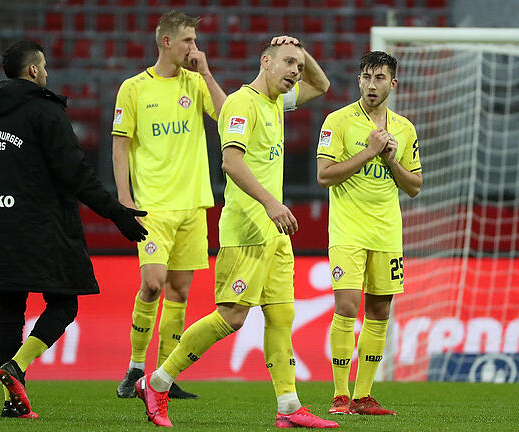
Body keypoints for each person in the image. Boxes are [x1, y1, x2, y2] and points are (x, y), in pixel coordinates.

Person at [133, 36, 338, 429]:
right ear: (265, 61)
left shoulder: (277, 101)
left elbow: (323, 85)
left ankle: (289, 406)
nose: (296, 72)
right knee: (231, 316)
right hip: (247, 229)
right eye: (288, 64)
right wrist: (271, 203)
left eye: (299, 66)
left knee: (281, 316)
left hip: (274, 234)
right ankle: (156, 382)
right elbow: (231, 163)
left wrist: (300, 49)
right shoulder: (242, 104)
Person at [0, 40, 148, 419]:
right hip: (39, 227)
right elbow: (76, 174)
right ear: (32, 71)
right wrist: (117, 212)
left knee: (9, 311)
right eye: (44, 67)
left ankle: (12, 402)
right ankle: (16, 367)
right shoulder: (44, 112)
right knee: (64, 304)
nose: (47, 73)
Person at [111, 10, 227, 400]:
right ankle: (135, 368)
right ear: (166, 42)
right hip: (152, 207)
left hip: (193, 205)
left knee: (179, 293)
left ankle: (161, 377)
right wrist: (124, 198)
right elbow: (120, 144)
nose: (194, 48)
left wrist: (207, 74)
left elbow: (228, 117)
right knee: (152, 284)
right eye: (188, 41)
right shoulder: (133, 88)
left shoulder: (195, 83)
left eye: (195, 41)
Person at [316, 51, 423, 416]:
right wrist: (370, 152)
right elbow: (325, 175)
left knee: (379, 312)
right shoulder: (338, 121)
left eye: (379, 78)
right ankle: (340, 395)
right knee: (346, 307)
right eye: (365, 77)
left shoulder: (404, 129)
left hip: (387, 233)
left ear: (392, 83)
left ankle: (363, 396)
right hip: (347, 231)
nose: (371, 84)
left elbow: (414, 186)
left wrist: (390, 157)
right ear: (359, 80)